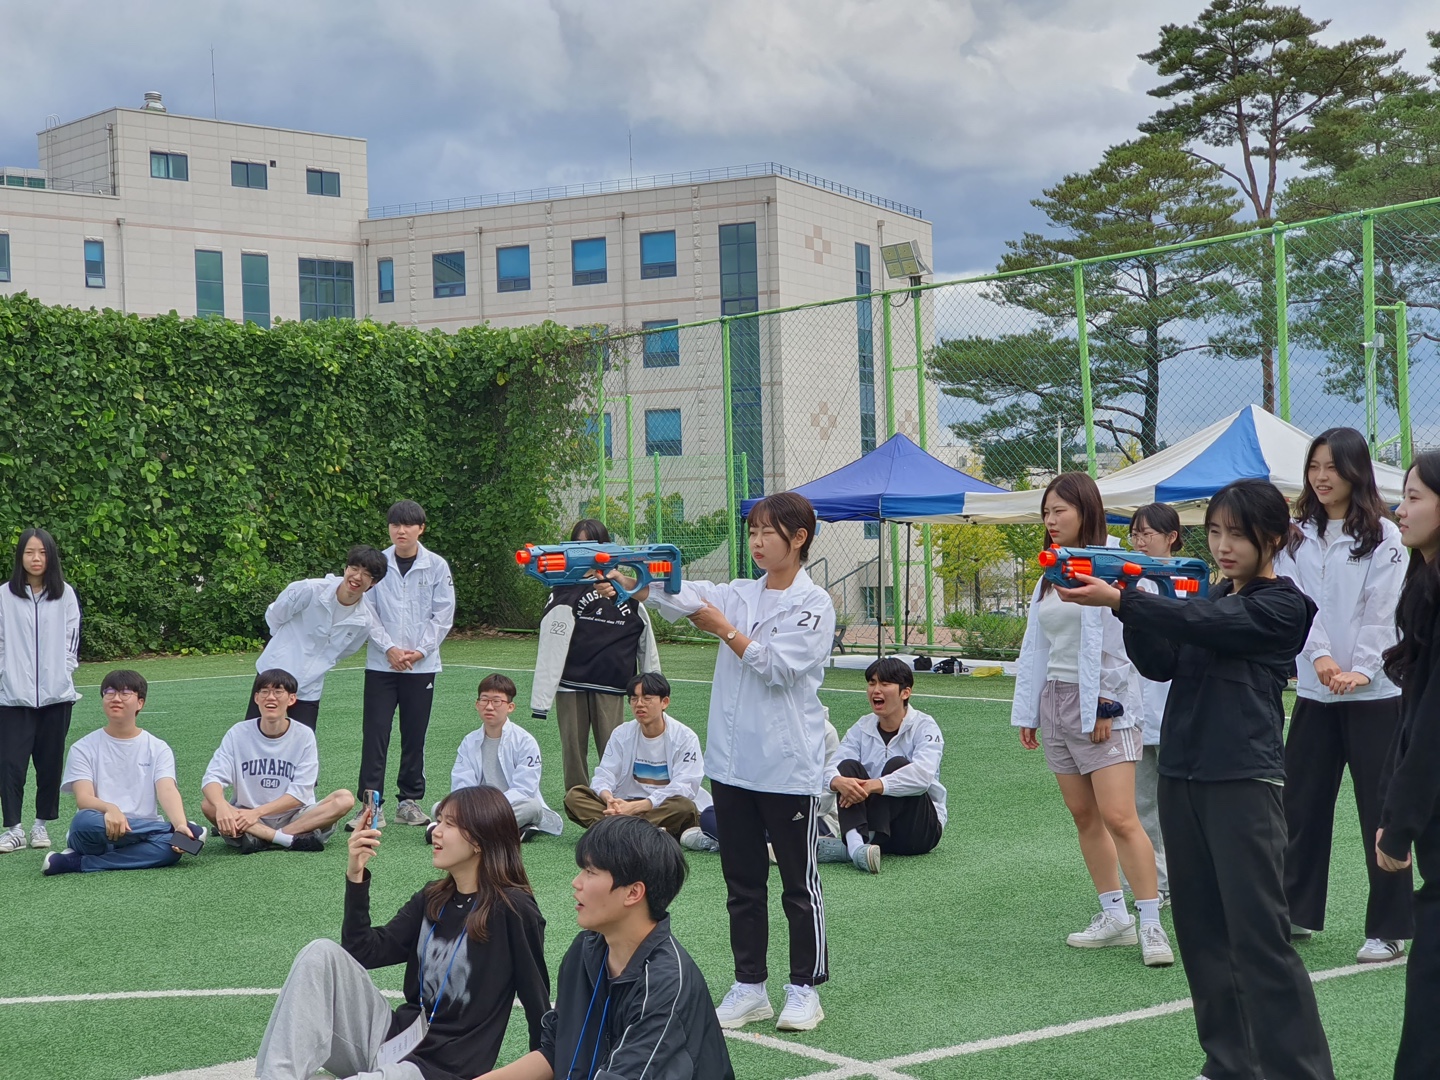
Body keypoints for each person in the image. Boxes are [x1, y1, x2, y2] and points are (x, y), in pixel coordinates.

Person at [1059, 478, 1335, 1080]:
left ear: (1273, 538)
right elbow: (1161, 661)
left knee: (1259, 937)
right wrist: (1130, 595)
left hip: (1243, 780)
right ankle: (1228, 1064)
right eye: (1214, 532)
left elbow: (1211, 623)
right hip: (1183, 776)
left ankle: (1300, 1071)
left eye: (1237, 534)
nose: (1223, 545)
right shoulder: (1208, 598)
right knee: (1202, 934)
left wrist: (1125, 599)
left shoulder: (1283, 605)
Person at [646, 490, 835, 1033]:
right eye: (752, 531)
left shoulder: (814, 604)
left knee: (798, 884)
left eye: (767, 532)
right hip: (731, 766)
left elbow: (778, 669)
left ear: (798, 539)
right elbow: (682, 594)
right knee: (742, 883)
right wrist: (639, 579)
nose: (756, 541)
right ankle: (750, 986)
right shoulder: (738, 592)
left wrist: (724, 629)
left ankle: (804, 989)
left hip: (787, 767)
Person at [255, 785, 550, 1080]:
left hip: (440, 1071)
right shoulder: (433, 898)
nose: (436, 831)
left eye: (449, 824)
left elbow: (536, 1001)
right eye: (439, 821)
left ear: (478, 840)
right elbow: (363, 951)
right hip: (392, 1043)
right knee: (320, 953)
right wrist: (356, 875)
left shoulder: (514, 910)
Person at [1011, 472, 1171, 967]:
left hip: (1104, 706)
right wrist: (1029, 710)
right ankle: (1114, 915)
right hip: (1056, 702)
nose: (1051, 520)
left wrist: (1106, 702)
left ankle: (1151, 923)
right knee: (1084, 815)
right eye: (1046, 512)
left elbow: (1122, 642)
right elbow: (1037, 646)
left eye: (1059, 510)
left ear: (1086, 510)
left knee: (1121, 817)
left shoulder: (1115, 565)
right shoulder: (1051, 573)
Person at [1274, 427, 1411, 962]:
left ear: (1356, 471)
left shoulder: (1385, 536)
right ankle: (1295, 911)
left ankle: (1389, 928)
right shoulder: (1295, 536)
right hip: (1315, 693)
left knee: (1381, 811)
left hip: (1376, 698)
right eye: (1314, 466)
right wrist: (1322, 659)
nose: (1321, 477)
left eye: (1332, 466)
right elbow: (1294, 602)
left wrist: (1361, 670)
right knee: (1301, 806)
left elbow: (1384, 610)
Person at [476, 815, 734, 1080]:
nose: (576, 882)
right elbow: (556, 1049)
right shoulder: (585, 950)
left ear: (633, 893)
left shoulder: (666, 982)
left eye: (590, 872)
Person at [1375, 450, 1440, 1078]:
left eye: (1416, 496)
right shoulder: (1424, 585)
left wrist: (1399, 825)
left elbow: (1433, 728)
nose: (1401, 508)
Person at [531, 518, 661, 792]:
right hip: (571, 684)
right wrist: (541, 700)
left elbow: (645, 641)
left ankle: (618, 801)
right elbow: (550, 644)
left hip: (611, 684)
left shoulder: (626, 588)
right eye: (578, 544)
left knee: (613, 751)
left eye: (592, 544)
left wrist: (653, 687)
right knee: (573, 753)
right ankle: (578, 804)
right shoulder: (563, 588)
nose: (585, 551)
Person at [352, 500, 456, 831]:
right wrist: (390, 649)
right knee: (375, 734)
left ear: (420, 529)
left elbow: (443, 614)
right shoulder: (377, 565)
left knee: (414, 735)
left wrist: (420, 652)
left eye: (408, 525)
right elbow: (366, 612)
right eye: (395, 524)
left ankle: (408, 802)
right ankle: (371, 807)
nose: (401, 530)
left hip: (421, 667)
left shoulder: (436, 565)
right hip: (381, 665)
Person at [44, 670, 204, 875]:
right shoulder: (83, 747)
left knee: (170, 851)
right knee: (83, 821)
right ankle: (170, 830)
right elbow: (84, 799)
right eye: (109, 692)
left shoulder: (157, 748)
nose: (116, 698)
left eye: (125, 693)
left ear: (140, 703)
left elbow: (167, 790)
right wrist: (110, 809)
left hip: (138, 836)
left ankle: (76, 863)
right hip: (97, 831)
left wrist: (180, 822)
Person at [203, 669, 356, 853]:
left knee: (344, 798)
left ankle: (265, 837)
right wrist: (221, 806)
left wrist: (257, 813)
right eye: (264, 692)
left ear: (291, 699)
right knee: (209, 804)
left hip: (295, 818)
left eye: (278, 692)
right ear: (256, 698)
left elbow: (299, 794)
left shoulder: (304, 735)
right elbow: (212, 778)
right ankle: (287, 840)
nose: (271, 697)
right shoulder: (238, 733)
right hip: (246, 815)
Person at [816, 657, 945, 873]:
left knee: (898, 765)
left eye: (885, 684)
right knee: (847, 769)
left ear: (905, 692)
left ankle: (849, 848)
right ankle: (858, 848)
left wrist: (874, 785)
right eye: (872, 683)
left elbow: (922, 777)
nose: (876, 690)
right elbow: (832, 766)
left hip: (917, 833)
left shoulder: (925, 726)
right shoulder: (862, 726)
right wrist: (837, 781)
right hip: (870, 825)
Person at [0, 528, 81, 854]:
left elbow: (71, 639)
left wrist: (64, 672)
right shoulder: (4, 596)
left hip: (56, 698)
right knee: (10, 764)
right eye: (30, 552)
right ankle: (14, 829)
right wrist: (5, 676)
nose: (36, 558)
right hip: (12, 698)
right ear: (20, 556)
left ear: (51, 557)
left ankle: (40, 826)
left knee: (49, 765)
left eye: (43, 552)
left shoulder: (65, 594)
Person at [248, 546, 388, 730]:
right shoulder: (309, 589)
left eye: (366, 574)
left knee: (303, 740)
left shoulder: (364, 621)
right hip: (271, 675)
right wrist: (282, 647)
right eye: (354, 569)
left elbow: (345, 651)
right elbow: (275, 616)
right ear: (345, 569)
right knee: (254, 734)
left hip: (309, 687)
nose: (357, 577)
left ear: (373, 583)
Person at [1120, 502, 1182, 907]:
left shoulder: (1187, 581)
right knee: (1142, 802)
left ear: (1171, 537)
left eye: (1148, 534)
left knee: (1178, 804)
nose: (1140, 542)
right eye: (1135, 534)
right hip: (1136, 711)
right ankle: (1153, 883)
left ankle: (1183, 879)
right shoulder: (1125, 584)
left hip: (1177, 711)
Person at [564, 671, 708, 839]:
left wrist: (640, 806)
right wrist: (609, 799)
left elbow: (685, 786)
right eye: (634, 699)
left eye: (647, 698)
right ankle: (645, 831)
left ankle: (617, 829)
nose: (639, 704)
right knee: (574, 796)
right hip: (625, 803)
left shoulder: (685, 737)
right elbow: (605, 774)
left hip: (661, 806)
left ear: (664, 702)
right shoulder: (621, 733)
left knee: (683, 806)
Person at [428, 675, 563, 844]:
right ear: (477, 704)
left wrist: (490, 808)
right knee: (439, 807)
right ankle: (507, 832)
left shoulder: (525, 741)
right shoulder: (469, 741)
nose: (489, 707)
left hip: (508, 806)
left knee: (532, 807)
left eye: (497, 701)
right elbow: (462, 784)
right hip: (476, 807)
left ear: (510, 707)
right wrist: (475, 807)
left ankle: (457, 831)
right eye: (484, 700)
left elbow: (524, 789)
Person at [681, 711, 841, 854]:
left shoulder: (824, 731)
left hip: (812, 817)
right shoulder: (763, 725)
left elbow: (826, 794)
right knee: (709, 815)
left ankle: (726, 842)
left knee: (786, 826)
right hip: (765, 814)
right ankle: (772, 846)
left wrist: (779, 813)